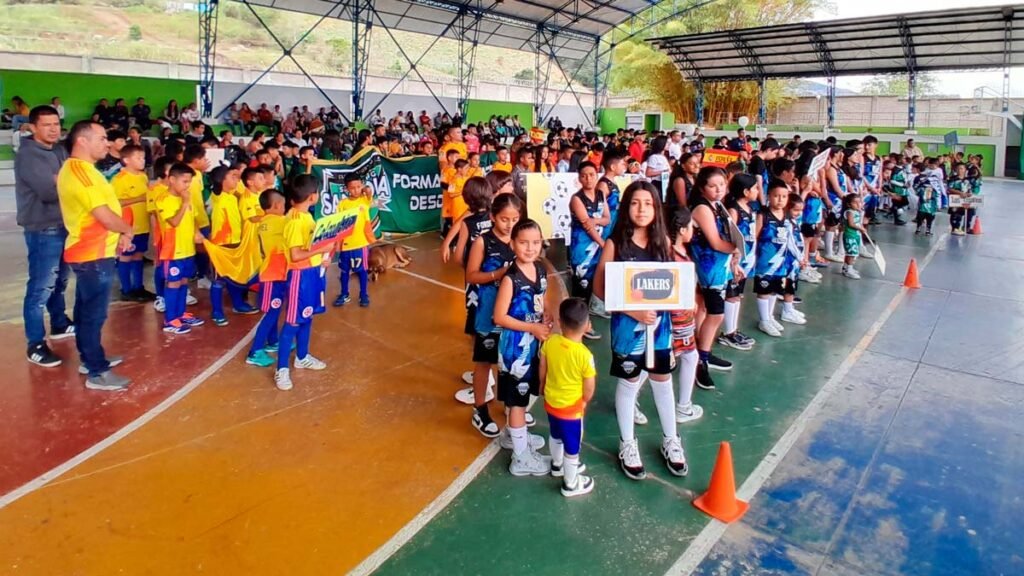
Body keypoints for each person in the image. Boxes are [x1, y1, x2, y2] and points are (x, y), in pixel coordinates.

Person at [594, 181, 687, 480]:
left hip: (660, 328)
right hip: (626, 329)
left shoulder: (664, 243)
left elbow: (674, 283)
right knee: (630, 380)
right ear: (626, 207)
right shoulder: (615, 243)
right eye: (635, 202)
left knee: (662, 378)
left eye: (648, 203)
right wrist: (631, 309)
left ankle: (671, 440)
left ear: (656, 208)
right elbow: (600, 286)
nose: (642, 209)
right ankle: (627, 443)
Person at [57, 120, 136, 390]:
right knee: (93, 313)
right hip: (90, 255)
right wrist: (127, 230)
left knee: (86, 309)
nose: (108, 143)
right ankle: (96, 371)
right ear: (82, 141)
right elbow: (102, 215)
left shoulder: (86, 170)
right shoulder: (80, 172)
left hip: (96, 251)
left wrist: (120, 235)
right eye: (102, 138)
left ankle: (90, 357)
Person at [16, 105, 75, 367]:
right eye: (46, 125)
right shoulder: (29, 155)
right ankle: (35, 343)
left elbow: (68, 182)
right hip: (43, 227)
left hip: (64, 224)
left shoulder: (60, 150)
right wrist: (63, 182)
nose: (53, 129)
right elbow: (49, 192)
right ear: (32, 127)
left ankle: (59, 322)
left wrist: (61, 179)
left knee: (61, 280)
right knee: (41, 286)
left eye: (56, 124)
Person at [494, 219, 552, 476]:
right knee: (517, 402)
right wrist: (532, 328)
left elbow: (541, 299)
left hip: (532, 345)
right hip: (515, 349)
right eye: (524, 243)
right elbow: (499, 317)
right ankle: (520, 458)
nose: (530, 248)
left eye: (536, 242)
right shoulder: (511, 279)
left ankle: (515, 436)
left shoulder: (539, 270)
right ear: (512, 243)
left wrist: (546, 316)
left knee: (522, 397)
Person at [465, 193, 522, 437]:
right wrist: (498, 274)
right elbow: (471, 275)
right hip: (487, 313)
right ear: (492, 217)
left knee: (509, 361)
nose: (509, 224)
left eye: (515, 219)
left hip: (513, 313)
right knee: (485, 362)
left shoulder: (520, 240)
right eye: (504, 219)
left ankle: (512, 407)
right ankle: (480, 410)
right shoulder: (482, 242)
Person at [275, 175, 333, 391]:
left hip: (313, 272)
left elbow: (312, 247)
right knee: (292, 322)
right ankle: (281, 369)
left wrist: (322, 259)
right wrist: (321, 250)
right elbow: (297, 255)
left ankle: (302, 356)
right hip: (300, 276)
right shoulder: (295, 222)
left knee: (307, 316)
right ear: (312, 196)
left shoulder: (306, 217)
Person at [539, 297, 596, 497]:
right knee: (572, 447)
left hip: (551, 402)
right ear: (587, 326)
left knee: (555, 435)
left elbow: (542, 370)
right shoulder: (584, 355)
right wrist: (584, 401)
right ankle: (571, 484)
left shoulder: (551, 342)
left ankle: (556, 465)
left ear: (560, 322)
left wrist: (542, 388)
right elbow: (589, 386)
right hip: (571, 409)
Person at [688, 167, 737, 389]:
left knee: (705, 310)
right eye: (712, 186)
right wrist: (737, 250)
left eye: (722, 185)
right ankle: (702, 361)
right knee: (716, 314)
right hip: (709, 269)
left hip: (718, 267)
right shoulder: (702, 209)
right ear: (702, 188)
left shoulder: (718, 206)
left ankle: (702, 351)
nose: (718, 190)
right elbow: (716, 243)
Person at [155, 163, 205, 334]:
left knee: (184, 281)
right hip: (172, 250)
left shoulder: (188, 197)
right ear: (172, 179)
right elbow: (174, 222)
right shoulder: (163, 199)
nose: (187, 185)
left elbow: (193, 218)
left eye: (189, 182)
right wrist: (184, 203)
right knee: (173, 282)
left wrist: (197, 232)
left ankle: (181, 313)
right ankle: (170, 319)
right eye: (184, 181)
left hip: (187, 249)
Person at [207, 166, 258, 326]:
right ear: (222, 181)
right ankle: (216, 311)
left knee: (235, 277)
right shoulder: (219, 200)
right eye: (233, 177)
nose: (237, 180)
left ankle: (238, 304)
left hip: (236, 242)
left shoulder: (232, 197)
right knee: (219, 280)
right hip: (222, 246)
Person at [668, 207, 702, 423]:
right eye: (691, 226)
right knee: (690, 356)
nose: (694, 230)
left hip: (677, 315)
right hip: (679, 316)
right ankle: (683, 406)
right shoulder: (676, 258)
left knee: (656, 359)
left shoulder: (670, 253)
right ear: (682, 230)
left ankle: (632, 400)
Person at [246, 189, 288, 367]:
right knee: (271, 313)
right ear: (278, 205)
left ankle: (273, 342)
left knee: (275, 310)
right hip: (274, 275)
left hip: (270, 273)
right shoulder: (280, 222)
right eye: (284, 205)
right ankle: (254, 352)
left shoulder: (263, 221)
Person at [567, 161, 608, 340]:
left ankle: (591, 314)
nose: (588, 178)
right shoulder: (577, 199)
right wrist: (603, 244)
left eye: (591, 174)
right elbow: (586, 226)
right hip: (582, 248)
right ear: (579, 178)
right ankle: (581, 325)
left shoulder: (601, 194)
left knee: (595, 280)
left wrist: (595, 220)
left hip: (597, 246)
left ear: (597, 175)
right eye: (584, 175)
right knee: (581, 288)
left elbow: (606, 218)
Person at [112, 144, 153, 301]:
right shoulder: (119, 179)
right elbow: (116, 203)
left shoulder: (143, 176)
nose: (142, 161)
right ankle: (126, 289)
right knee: (125, 256)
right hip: (128, 226)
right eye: (138, 158)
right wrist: (139, 198)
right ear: (126, 160)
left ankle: (138, 287)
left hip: (143, 224)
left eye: (143, 158)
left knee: (138, 256)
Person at [721, 173, 758, 350]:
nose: (758, 191)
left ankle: (733, 330)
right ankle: (728, 333)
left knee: (737, 297)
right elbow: (730, 235)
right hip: (735, 262)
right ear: (746, 191)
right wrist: (733, 263)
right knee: (732, 296)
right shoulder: (734, 210)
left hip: (746, 260)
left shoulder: (750, 209)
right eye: (755, 188)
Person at [753, 182, 792, 336]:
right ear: (769, 196)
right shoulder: (763, 216)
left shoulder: (787, 215)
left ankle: (769, 316)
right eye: (776, 196)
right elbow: (755, 236)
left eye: (784, 196)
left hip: (781, 261)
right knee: (764, 290)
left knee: (775, 289)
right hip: (765, 260)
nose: (780, 200)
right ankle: (764, 320)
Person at [335, 175, 376, 308]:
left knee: (362, 271)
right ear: (346, 189)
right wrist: (337, 243)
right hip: (346, 245)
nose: (356, 190)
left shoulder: (365, 200)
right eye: (352, 188)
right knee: (344, 271)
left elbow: (369, 191)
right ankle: (344, 294)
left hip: (361, 244)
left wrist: (366, 189)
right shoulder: (342, 204)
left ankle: (363, 294)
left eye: (358, 187)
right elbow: (338, 224)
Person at [842, 194, 867, 279]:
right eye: (855, 203)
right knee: (852, 253)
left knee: (850, 253)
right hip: (850, 235)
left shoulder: (856, 211)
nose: (858, 204)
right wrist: (860, 228)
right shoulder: (849, 212)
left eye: (859, 202)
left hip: (855, 235)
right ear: (849, 204)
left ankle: (845, 267)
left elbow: (858, 222)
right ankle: (849, 269)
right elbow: (851, 224)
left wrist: (862, 227)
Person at [913, 165, 938, 238]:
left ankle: (927, 230)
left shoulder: (934, 178)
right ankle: (919, 228)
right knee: (921, 214)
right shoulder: (918, 178)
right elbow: (915, 188)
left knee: (930, 215)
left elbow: (938, 188)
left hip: (931, 200)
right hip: (923, 199)